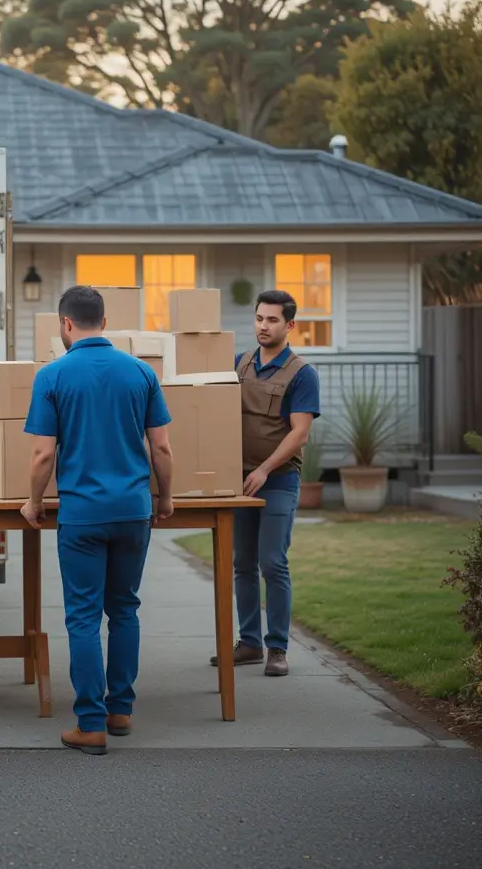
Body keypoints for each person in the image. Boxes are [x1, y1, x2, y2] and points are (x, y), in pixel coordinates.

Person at [21, 285, 174, 756]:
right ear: (104, 322)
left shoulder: (52, 376)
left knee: (84, 616)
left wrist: (33, 502)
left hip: (83, 515)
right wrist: (165, 498)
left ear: (65, 325)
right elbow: (162, 447)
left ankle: (90, 724)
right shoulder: (141, 372)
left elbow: (43, 454)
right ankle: (120, 710)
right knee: (124, 609)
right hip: (133, 511)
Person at [210, 289, 321, 678]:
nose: (263, 326)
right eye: (259, 318)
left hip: (277, 480)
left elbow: (299, 433)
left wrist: (264, 470)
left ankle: (277, 648)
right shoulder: (239, 364)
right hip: (238, 479)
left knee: (272, 562)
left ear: (290, 325)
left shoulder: (302, 374)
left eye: (272, 320)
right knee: (242, 563)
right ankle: (249, 643)